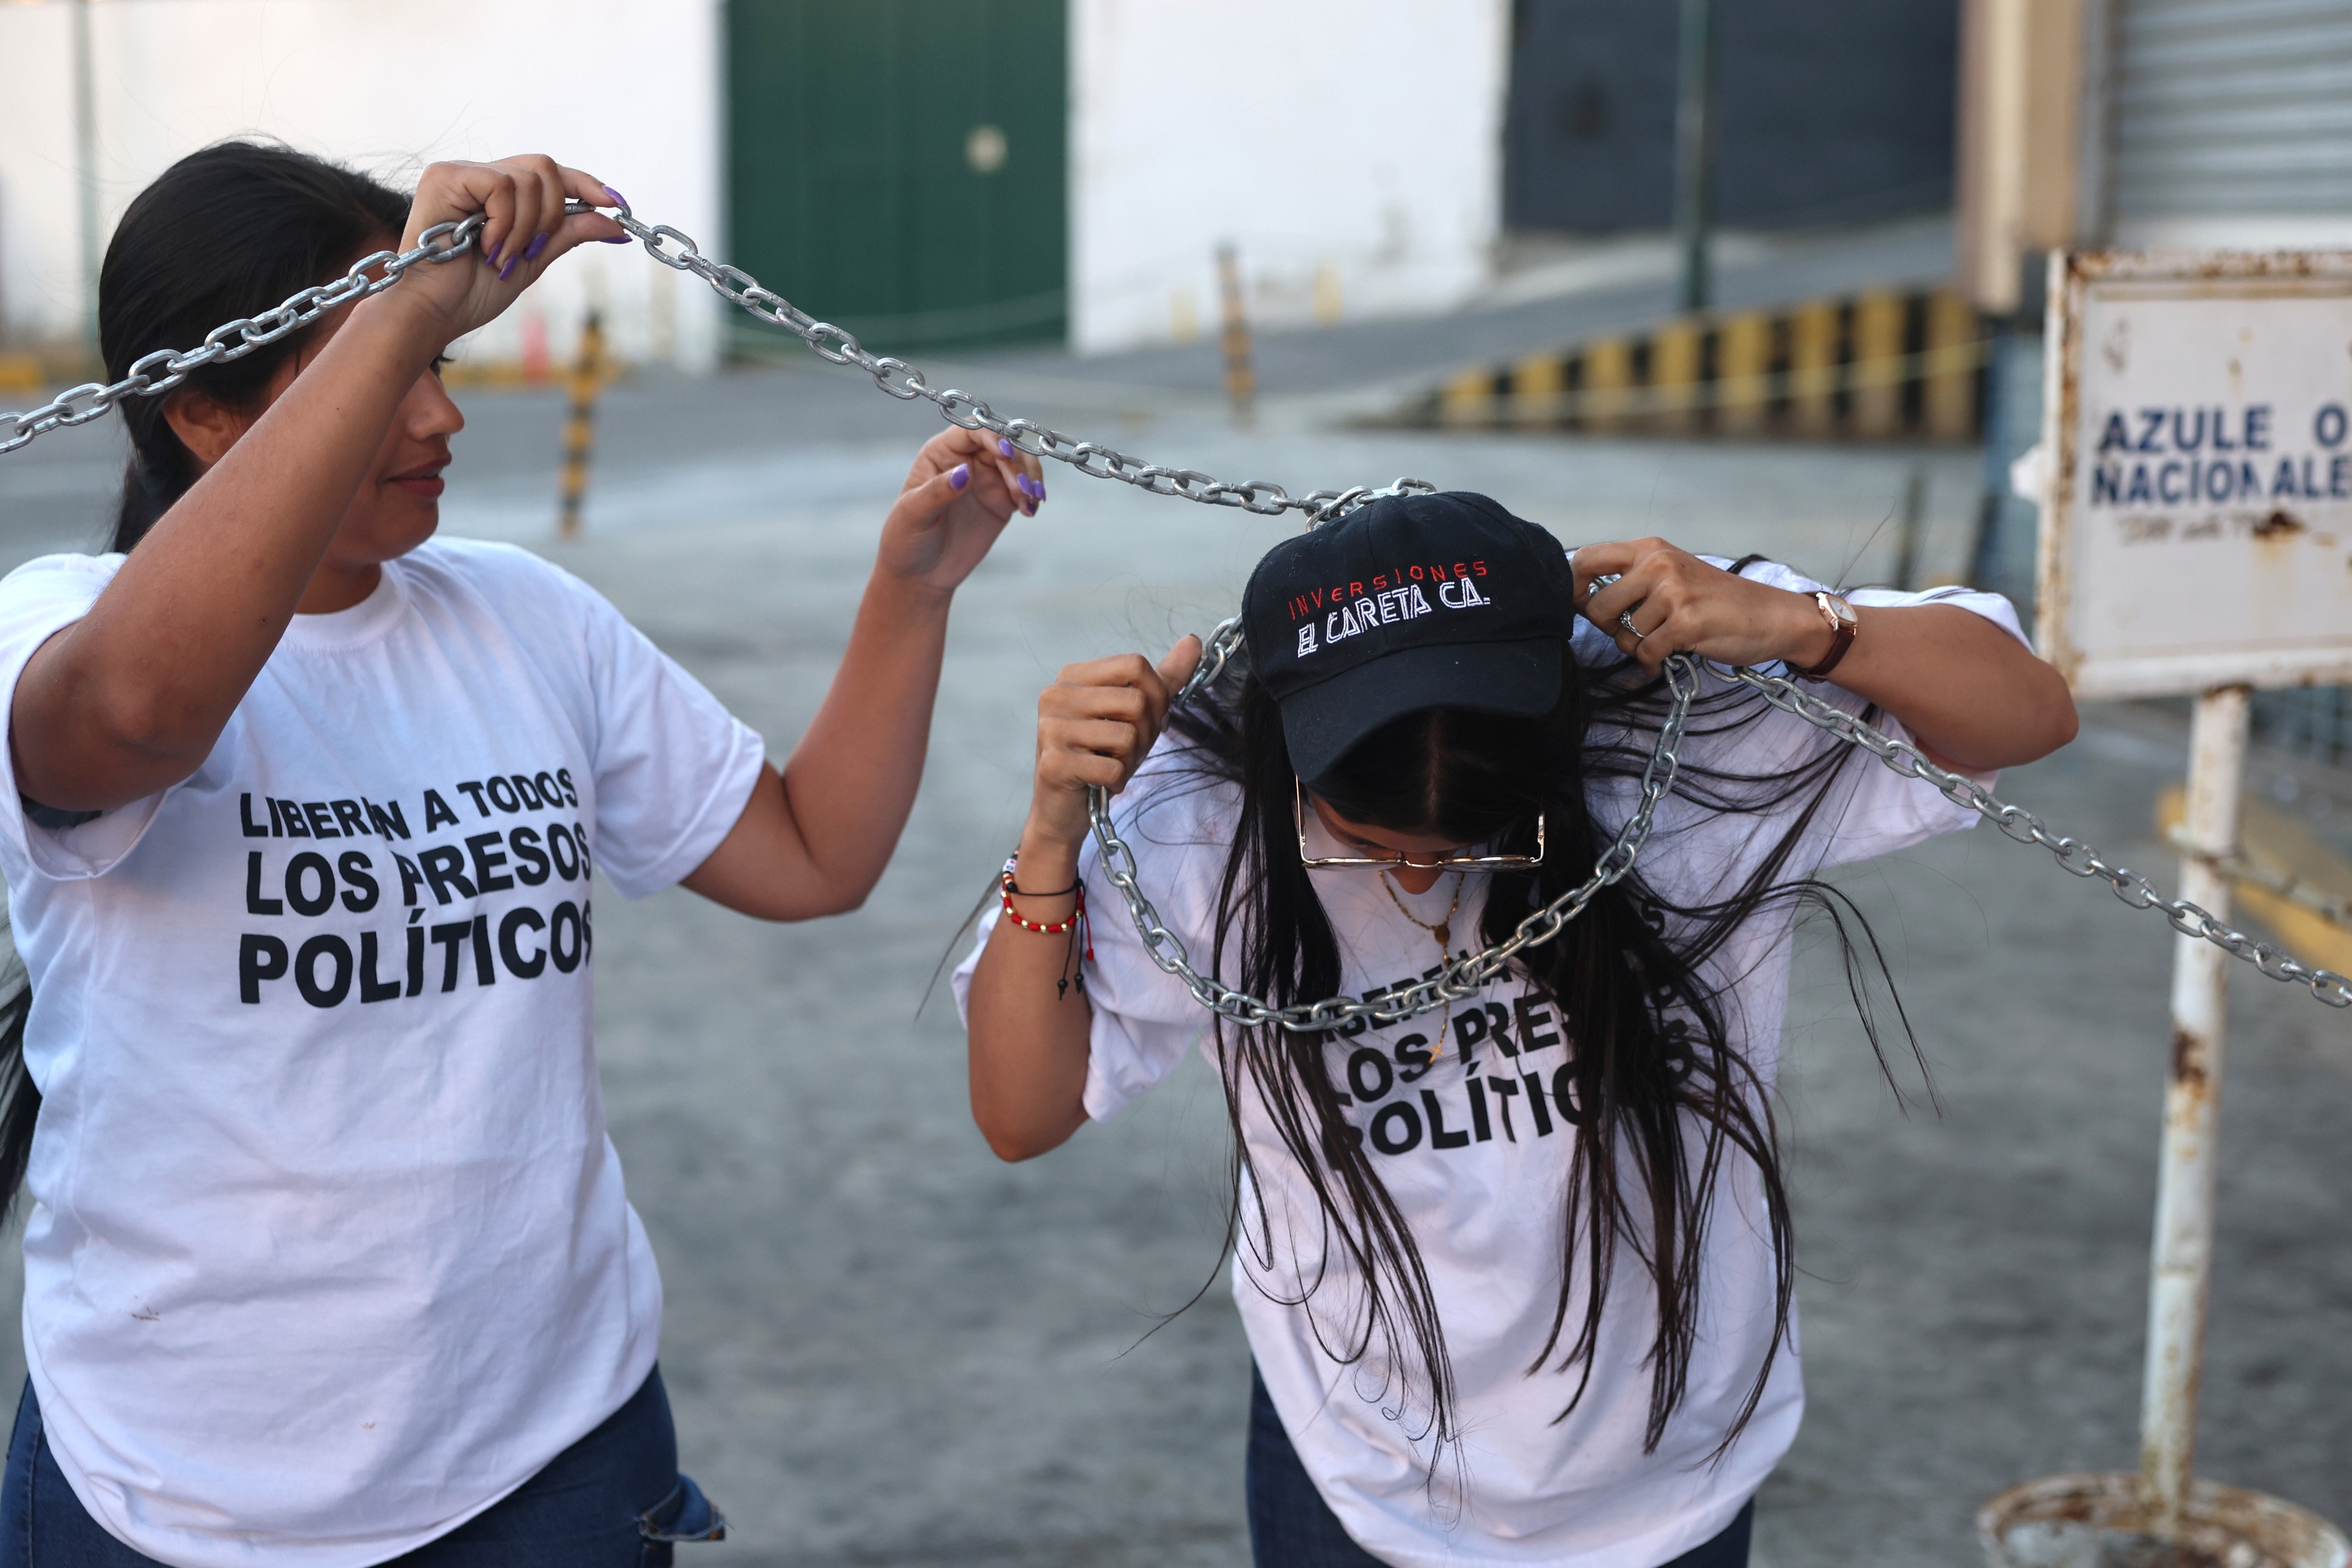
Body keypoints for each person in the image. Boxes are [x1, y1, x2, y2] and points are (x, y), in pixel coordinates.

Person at [0, 141, 1043, 1566]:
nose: (440, 413)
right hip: (173, 1493)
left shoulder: (520, 618)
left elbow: (812, 855)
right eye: (382, 367)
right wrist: (406, 310)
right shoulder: (59, 624)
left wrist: (910, 592)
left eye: (440, 359)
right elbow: (136, 717)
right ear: (201, 412)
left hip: (547, 1463)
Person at [957, 491, 2077, 1568]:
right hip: (1362, 1465)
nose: (1416, 884)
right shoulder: (1200, 816)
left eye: (1474, 841)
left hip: (1669, 1461)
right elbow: (1021, 1113)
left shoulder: (1683, 720)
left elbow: (2031, 714)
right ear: (1282, 751)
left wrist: (1797, 623)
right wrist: (1052, 833)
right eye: (1364, 840)